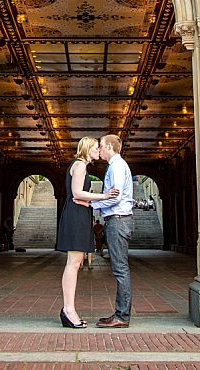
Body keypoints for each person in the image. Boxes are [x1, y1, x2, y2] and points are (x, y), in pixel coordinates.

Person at [56, 137, 119, 329]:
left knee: (75, 263)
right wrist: (104, 195)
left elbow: (80, 196)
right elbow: (76, 193)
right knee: (73, 264)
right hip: (75, 215)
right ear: (87, 149)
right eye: (95, 148)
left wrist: (92, 203)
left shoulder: (81, 166)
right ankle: (68, 310)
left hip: (80, 214)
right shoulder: (80, 165)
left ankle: (69, 309)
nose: (98, 151)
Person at [86, 134, 134, 328]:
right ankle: (120, 313)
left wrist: (93, 205)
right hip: (117, 220)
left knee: (120, 269)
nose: (99, 150)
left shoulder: (116, 166)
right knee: (119, 268)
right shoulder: (116, 166)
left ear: (108, 147)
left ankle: (122, 316)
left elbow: (115, 197)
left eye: (100, 146)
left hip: (118, 221)